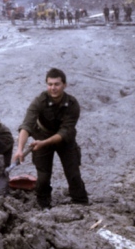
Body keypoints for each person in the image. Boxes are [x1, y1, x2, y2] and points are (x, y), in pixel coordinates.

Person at [13, 68, 89, 209]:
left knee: (73, 173)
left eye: (57, 84)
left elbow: (65, 131)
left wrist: (44, 143)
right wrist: (19, 149)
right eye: (50, 84)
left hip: (65, 140)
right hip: (42, 135)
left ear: (64, 85)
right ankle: (43, 204)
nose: (53, 88)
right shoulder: (39, 101)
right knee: (43, 177)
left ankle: (81, 202)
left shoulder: (73, 104)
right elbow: (27, 125)